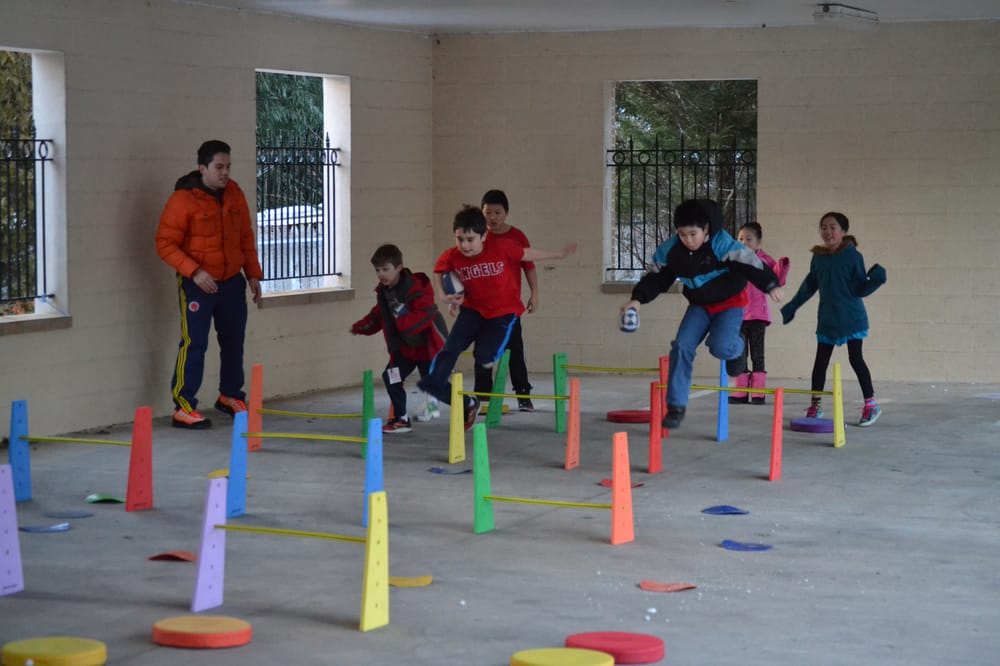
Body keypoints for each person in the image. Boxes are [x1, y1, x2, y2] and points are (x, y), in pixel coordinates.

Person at [620, 199, 783, 430]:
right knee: (681, 347)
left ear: (706, 229)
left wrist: (770, 284)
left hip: (730, 304)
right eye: (683, 234)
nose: (688, 239)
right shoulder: (671, 251)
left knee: (720, 347)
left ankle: (737, 349)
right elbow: (656, 278)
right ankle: (676, 406)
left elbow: (751, 263)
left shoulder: (723, 244)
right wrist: (636, 300)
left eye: (693, 234)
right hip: (700, 306)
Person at [418, 205, 577, 431]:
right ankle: (448, 394)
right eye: (460, 239)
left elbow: (528, 254)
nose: (465, 245)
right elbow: (440, 271)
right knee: (449, 350)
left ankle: (489, 355)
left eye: (471, 240)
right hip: (473, 310)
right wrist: (446, 296)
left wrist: (558, 255)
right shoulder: (452, 256)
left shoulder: (502, 246)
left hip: (503, 312)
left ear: (484, 236)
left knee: (483, 356)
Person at [155, 140, 262, 429]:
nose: (225, 173)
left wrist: (253, 274)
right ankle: (184, 405)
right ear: (202, 168)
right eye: (219, 167)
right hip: (197, 285)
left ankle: (229, 395)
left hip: (231, 283)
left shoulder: (235, 194)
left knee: (233, 341)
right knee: (195, 343)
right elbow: (165, 243)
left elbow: (245, 237)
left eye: (228, 167)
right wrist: (194, 272)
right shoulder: (183, 199)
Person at [780, 211, 886, 426]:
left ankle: (871, 405)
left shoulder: (853, 256)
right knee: (820, 362)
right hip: (827, 319)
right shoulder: (818, 256)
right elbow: (809, 285)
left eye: (832, 227)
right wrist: (793, 306)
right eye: (824, 227)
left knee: (856, 359)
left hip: (851, 318)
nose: (827, 231)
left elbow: (860, 289)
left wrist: (876, 280)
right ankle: (816, 405)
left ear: (843, 231)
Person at [349, 244, 449, 433]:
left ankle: (468, 404)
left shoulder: (418, 288)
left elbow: (424, 315)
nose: (381, 274)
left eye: (386, 269)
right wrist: (360, 327)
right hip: (405, 349)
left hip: (427, 348)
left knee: (436, 386)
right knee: (391, 376)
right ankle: (401, 419)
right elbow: (379, 315)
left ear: (399, 268)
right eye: (378, 270)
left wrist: (403, 320)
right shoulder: (384, 293)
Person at [477, 189, 537, 412]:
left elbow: (529, 267)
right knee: (483, 352)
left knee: (514, 351)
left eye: (497, 212)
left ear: (506, 213)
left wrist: (535, 293)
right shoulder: (478, 236)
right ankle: (483, 397)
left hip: (509, 307)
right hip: (481, 306)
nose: (492, 217)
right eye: (487, 213)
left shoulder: (517, 237)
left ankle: (523, 395)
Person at [730, 222, 790, 405]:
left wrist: (782, 265)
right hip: (737, 316)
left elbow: (776, 279)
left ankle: (757, 393)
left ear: (758, 242)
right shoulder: (734, 260)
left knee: (757, 355)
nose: (744, 242)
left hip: (757, 316)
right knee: (739, 354)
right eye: (740, 239)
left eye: (749, 239)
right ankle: (741, 391)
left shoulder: (765, 260)